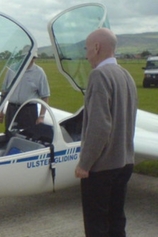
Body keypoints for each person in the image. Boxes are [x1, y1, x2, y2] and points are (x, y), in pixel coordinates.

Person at [75, 28, 137, 237]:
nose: (86, 54)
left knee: (96, 226)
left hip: (103, 167)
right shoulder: (126, 75)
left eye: (86, 48)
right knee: (116, 221)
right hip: (125, 162)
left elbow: (99, 126)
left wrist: (85, 164)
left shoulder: (99, 75)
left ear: (96, 47)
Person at [0, 47, 50, 135]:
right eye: (29, 57)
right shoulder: (12, 69)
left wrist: (41, 116)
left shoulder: (39, 72)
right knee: (9, 135)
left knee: (28, 137)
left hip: (29, 111)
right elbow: (4, 91)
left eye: (33, 57)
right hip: (12, 109)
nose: (32, 60)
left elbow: (45, 96)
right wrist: (0, 111)